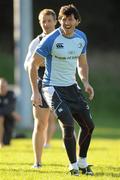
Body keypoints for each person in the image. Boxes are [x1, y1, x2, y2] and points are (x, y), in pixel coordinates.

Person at [28, 4, 95, 176]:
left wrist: (86, 82)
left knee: (89, 126)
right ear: (60, 21)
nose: (66, 22)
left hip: (72, 86)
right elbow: (32, 65)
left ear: (77, 21)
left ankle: (82, 162)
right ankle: (72, 166)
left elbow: (82, 63)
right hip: (52, 87)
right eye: (63, 19)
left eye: (70, 19)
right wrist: (35, 91)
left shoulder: (82, 38)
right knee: (67, 123)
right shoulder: (51, 39)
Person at [24, 9, 57, 168]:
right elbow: (27, 64)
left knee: (68, 123)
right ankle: (37, 162)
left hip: (61, 84)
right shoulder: (36, 42)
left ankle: (75, 162)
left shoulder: (63, 38)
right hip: (41, 85)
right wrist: (38, 63)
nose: (46, 24)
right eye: (43, 21)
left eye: (49, 21)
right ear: (40, 23)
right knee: (40, 124)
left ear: (55, 21)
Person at [0, 78, 20, 148]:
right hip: (6, 116)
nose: (2, 89)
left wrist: (11, 112)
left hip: (9, 119)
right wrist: (12, 112)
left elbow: (10, 107)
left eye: (4, 87)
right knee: (0, 118)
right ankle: (0, 142)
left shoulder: (11, 94)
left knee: (7, 143)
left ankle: (3, 141)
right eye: (1, 87)